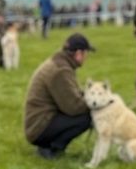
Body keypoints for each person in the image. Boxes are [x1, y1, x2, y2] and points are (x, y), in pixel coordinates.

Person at [23, 32, 94, 160]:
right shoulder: (61, 70)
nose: (86, 57)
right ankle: (51, 147)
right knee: (88, 117)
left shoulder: (60, 63)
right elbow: (73, 107)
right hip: (39, 128)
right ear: (78, 53)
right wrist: (97, 103)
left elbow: (73, 94)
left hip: (37, 123)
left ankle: (50, 145)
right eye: (85, 53)